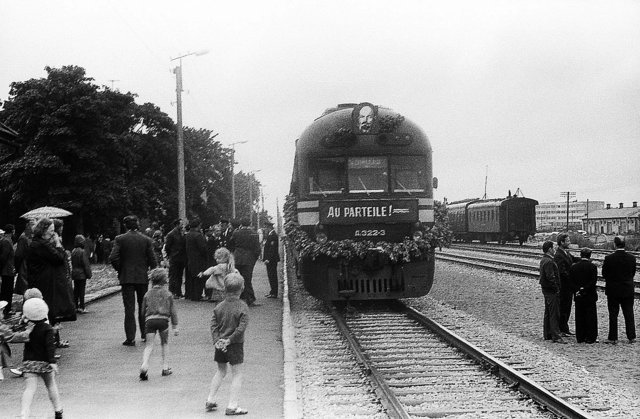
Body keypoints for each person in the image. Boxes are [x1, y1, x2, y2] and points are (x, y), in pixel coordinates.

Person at [27, 218, 75, 349]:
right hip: (46, 283)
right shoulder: (42, 245)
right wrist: (58, 243)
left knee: (49, 313)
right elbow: (59, 258)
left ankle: (53, 342)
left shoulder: (38, 243)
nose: (54, 232)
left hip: (41, 281)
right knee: (48, 313)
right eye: (51, 230)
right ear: (44, 230)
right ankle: (50, 344)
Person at [205, 272, 249, 415]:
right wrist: (229, 340)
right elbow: (241, 328)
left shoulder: (219, 307)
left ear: (224, 288)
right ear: (242, 288)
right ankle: (232, 405)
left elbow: (213, 325)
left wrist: (217, 340)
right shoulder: (242, 307)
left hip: (220, 345)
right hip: (235, 345)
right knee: (237, 374)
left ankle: (210, 399)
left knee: (220, 371)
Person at [109, 215, 157, 346]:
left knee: (129, 308)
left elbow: (113, 257)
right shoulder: (146, 240)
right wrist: (150, 270)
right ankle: (145, 334)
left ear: (125, 226)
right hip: (142, 277)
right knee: (143, 306)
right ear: (137, 225)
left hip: (127, 278)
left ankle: (130, 338)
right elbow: (153, 260)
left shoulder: (120, 239)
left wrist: (121, 269)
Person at [20, 298, 64, 419]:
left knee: (29, 389)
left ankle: (24, 412)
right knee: (51, 385)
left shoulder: (27, 327)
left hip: (29, 362)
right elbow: (50, 346)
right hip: (44, 362)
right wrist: (52, 361)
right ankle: (58, 409)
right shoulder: (47, 328)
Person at [139, 268, 178, 381]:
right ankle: (165, 368)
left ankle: (145, 365)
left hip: (150, 321)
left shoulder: (147, 294)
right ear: (164, 281)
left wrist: (145, 319)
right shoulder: (168, 294)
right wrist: (175, 326)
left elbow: (142, 311)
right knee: (164, 343)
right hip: (163, 321)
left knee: (149, 345)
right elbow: (173, 311)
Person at [602, 236, 636, 344]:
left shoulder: (609, 258)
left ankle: (613, 338)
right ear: (624, 244)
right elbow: (633, 273)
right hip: (627, 289)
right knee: (629, 313)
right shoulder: (632, 258)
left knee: (613, 314)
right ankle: (631, 337)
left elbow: (604, 274)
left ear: (614, 244)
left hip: (613, 290)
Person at [569, 248, 598, 343]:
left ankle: (580, 337)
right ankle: (590, 337)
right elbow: (593, 282)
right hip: (590, 295)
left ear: (581, 255)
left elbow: (571, 281)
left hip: (578, 295)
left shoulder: (574, 267)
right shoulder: (593, 267)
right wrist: (584, 288)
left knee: (579, 316)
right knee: (591, 316)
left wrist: (578, 289)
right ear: (589, 256)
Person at [539, 241, 566, 344]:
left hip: (546, 289)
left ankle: (548, 334)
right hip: (551, 290)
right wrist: (556, 288)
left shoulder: (544, 260)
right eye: (553, 247)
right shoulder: (549, 261)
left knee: (548, 312)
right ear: (549, 249)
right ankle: (556, 336)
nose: (555, 249)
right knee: (554, 313)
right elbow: (551, 277)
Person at [553, 233, 580, 336]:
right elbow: (562, 272)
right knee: (564, 307)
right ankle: (562, 329)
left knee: (567, 307)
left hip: (568, 286)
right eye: (567, 241)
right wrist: (572, 279)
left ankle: (565, 328)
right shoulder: (559, 255)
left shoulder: (565, 253)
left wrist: (584, 259)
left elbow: (573, 259)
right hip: (564, 286)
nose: (569, 242)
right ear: (562, 242)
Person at [232, 218, 261, 307]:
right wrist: (254, 258)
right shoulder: (254, 233)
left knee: (237, 278)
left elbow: (232, 244)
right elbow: (257, 248)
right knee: (247, 279)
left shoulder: (236, 233)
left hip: (237, 257)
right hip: (249, 258)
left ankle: (238, 298)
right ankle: (250, 299)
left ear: (241, 224)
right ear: (249, 224)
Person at [185, 219, 208, 301]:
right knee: (199, 277)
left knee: (192, 277)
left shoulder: (188, 235)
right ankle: (197, 295)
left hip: (191, 258)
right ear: (198, 226)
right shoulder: (198, 235)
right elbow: (203, 248)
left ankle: (192, 294)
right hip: (199, 259)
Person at [70, 235, 92, 314]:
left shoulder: (73, 251)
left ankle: (75, 306)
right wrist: (89, 274)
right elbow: (85, 264)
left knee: (76, 290)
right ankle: (82, 307)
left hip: (75, 273)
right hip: (82, 274)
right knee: (81, 291)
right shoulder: (83, 252)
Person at [165, 219, 186, 299]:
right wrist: (171, 254)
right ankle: (172, 292)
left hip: (180, 258)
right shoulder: (171, 234)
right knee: (173, 275)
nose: (182, 226)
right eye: (181, 224)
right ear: (177, 225)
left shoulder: (181, 233)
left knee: (179, 275)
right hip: (174, 257)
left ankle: (178, 291)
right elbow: (167, 247)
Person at [14, 220, 35, 296]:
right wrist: (17, 268)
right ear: (28, 226)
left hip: (30, 266)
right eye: (32, 224)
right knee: (26, 291)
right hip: (24, 267)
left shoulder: (31, 237)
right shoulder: (23, 238)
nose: (34, 227)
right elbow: (18, 255)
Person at [0, 224, 16, 318]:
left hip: (8, 269)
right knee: (7, 290)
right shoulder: (6, 241)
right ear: (12, 231)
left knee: (7, 290)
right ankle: (6, 309)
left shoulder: (6, 240)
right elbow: (3, 257)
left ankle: (6, 309)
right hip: (7, 270)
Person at [262, 221, 280, 298]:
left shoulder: (273, 236)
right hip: (271, 259)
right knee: (271, 276)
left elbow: (272, 249)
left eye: (266, 227)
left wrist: (268, 259)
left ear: (269, 227)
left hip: (271, 260)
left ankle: (274, 293)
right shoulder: (270, 235)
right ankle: (272, 291)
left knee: (273, 276)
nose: (265, 229)